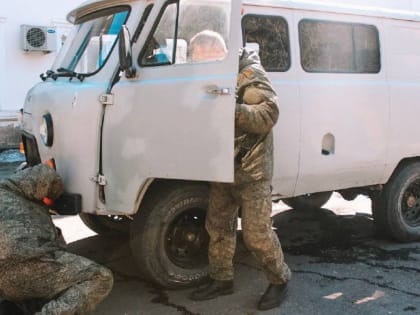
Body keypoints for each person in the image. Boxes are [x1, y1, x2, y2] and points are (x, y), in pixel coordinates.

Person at [189, 30, 291, 311]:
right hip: (223, 166)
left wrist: (229, 109)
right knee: (218, 226)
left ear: (217, 52)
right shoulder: (213, 74)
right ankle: (221, 279)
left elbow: (269, 114)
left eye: (203, 59)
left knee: (256, 234)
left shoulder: (247, 73)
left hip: (252, 169)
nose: (200, 65)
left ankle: (280, 279)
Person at [0, 164, 113, 315]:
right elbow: (46, 172)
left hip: (9, 283)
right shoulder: (11, 186)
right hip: (28, 267)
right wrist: (56, 195)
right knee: (99, 277)